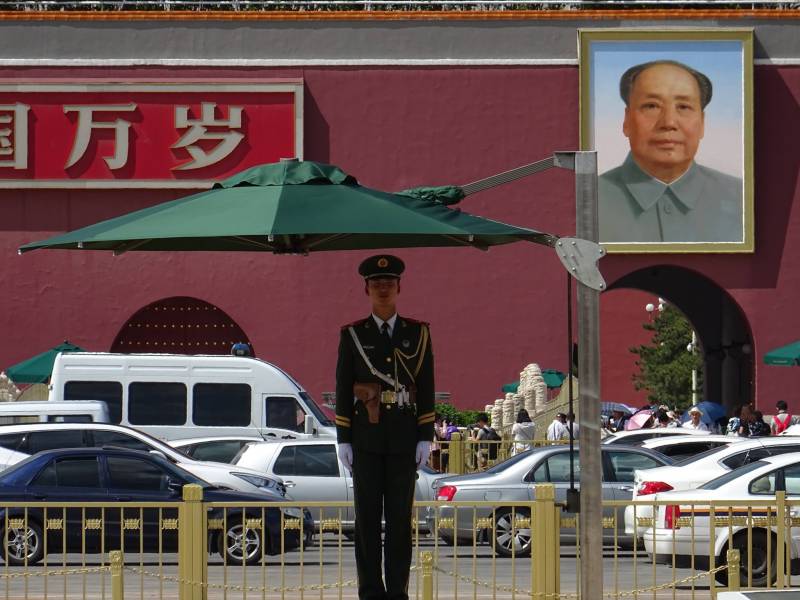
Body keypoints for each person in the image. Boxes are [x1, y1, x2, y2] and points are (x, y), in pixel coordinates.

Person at [335, 254, 435, 600]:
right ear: (366, 289)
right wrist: (343, 438)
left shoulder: (418, 333)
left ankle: (397, 593)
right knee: (366, 524)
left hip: (404, 438)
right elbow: (343, 385)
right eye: (376, 284)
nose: (383, 288)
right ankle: (370, 593)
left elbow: (426, 384)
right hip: (365, 438)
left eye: (389, 283)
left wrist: (426, 436)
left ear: (399, 288)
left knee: (398, 524)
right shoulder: (352, 335)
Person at [599, 60, 743, 244]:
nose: (668, 122)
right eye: (651, 106)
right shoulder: (589, 200)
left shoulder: (742, 199)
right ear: (626, 120)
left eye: (683, 107)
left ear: (702, 123)